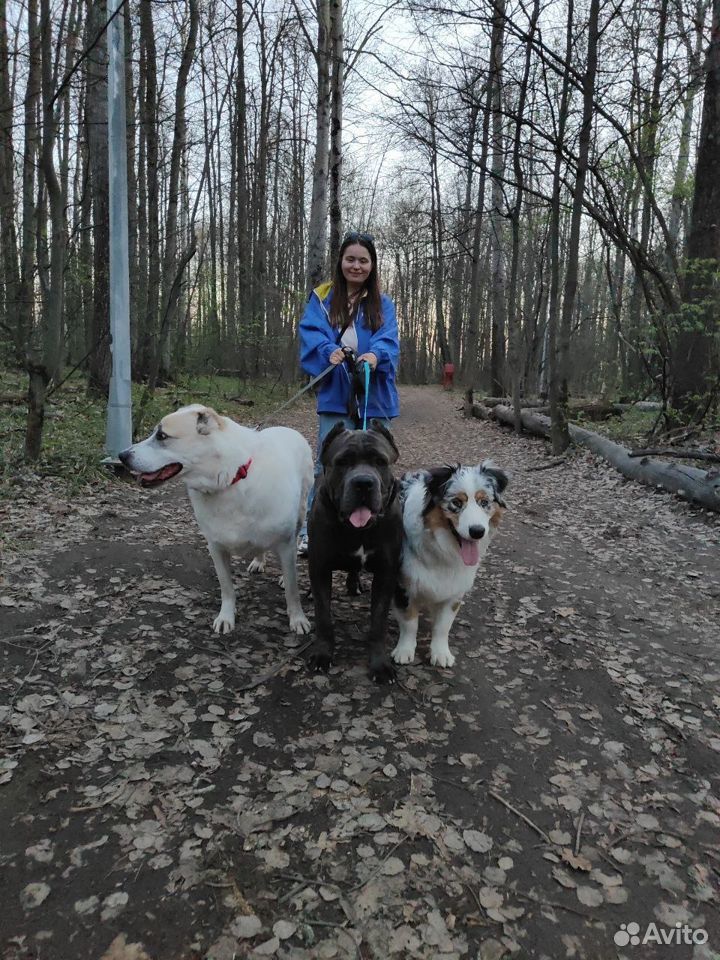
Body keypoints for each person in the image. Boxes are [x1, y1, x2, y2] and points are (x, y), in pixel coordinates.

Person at [296, 231, 400, 556]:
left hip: (374, 393)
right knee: (326, 465)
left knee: (376, 464)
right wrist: (328, 350)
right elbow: (310, 331)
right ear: (341, 261)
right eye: (350, 259)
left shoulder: (383, 304)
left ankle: (376, 529)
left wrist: (376, 355)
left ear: (372, 265)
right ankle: (314, 532)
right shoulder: (323, 298)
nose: (356, 266)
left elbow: (389, 338)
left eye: (363, 260)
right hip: (336, 393)